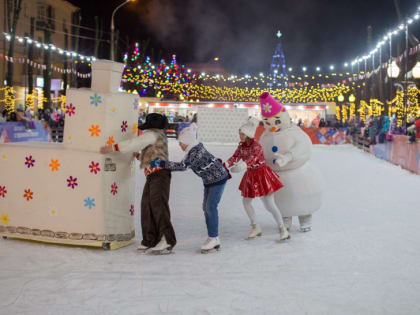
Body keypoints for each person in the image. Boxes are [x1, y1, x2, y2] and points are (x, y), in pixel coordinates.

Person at [100, 113, 177, 254]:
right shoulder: (155, 136)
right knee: (147, 206)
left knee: (158, 206)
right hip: (153, 175)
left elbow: (134, 143)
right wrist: (138, 156)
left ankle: (167, 239)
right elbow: (151, 154)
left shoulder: (152, 135)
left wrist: (113, 147)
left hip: (160, 175)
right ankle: (150, 239)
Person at [150, 124, 230, 253]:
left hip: (218, 179)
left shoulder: (196, 152)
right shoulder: (193, 149)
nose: (179, 145)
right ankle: (213, 237)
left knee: (210, 207)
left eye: (181, 143)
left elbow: (183, 166)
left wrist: (162, 163)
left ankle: (214, 238)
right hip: (209, 180)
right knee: (206, 207)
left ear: (187, 142)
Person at [226, 118, 290, 242]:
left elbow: (253, 158)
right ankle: (256, 227)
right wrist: (225, 165)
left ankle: (283, 229)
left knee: (269, 204)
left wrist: (243, 165)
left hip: (262, 175)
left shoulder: (257, 146)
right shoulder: (241, 146)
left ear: (249, 134)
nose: (240, 136)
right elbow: (235, 157)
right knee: (246, 201)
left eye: (243, 133)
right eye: (240, 133)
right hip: (251, 176)